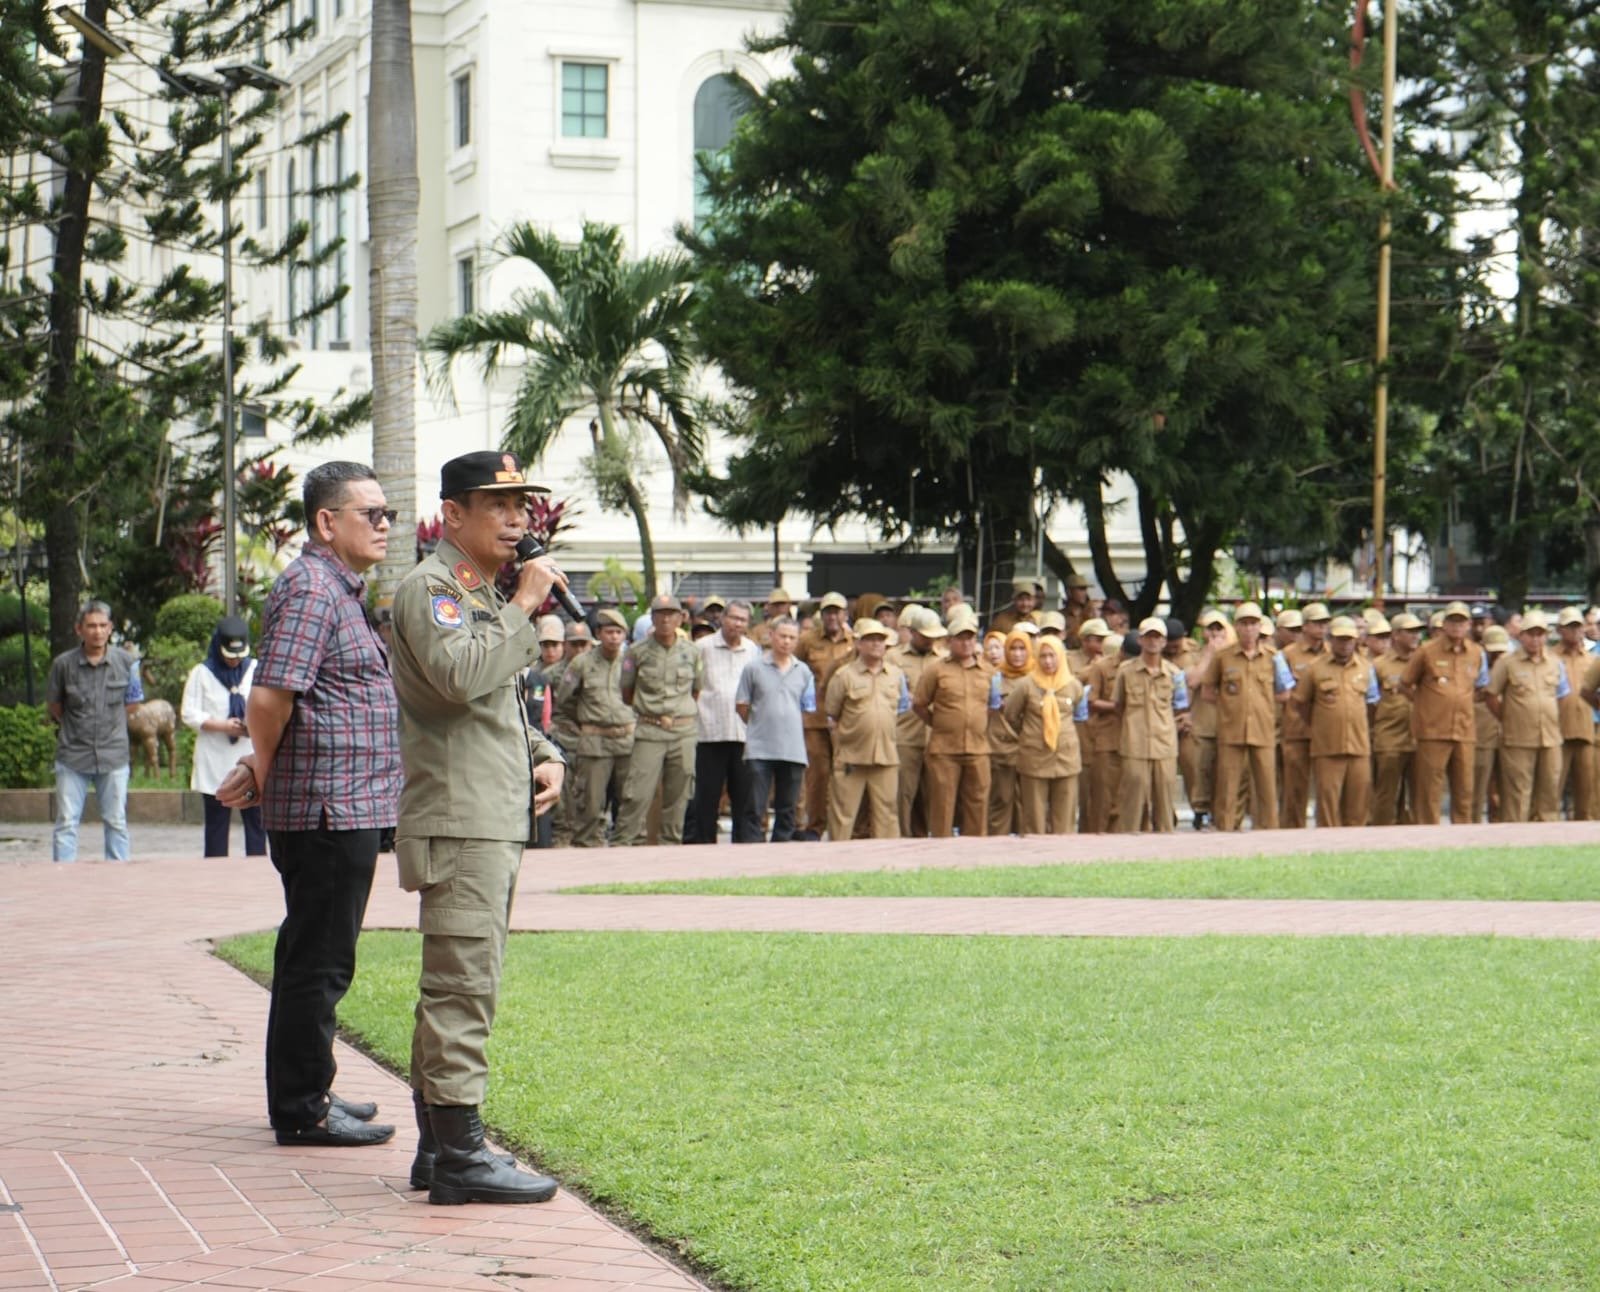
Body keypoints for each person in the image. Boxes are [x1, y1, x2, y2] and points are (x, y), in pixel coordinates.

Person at [389, 449, 569, 1205]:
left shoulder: (478, 593)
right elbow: (460, 679)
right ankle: (461, 1155)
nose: (517, 518)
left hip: (490, 815)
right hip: (460, 822)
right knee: (461, 987)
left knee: (464, 984)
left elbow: (498, 704)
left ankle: (440, 1149)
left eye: (521, 505)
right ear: (452, 514)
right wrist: (525, 606)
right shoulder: (432, 590)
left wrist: (545, 751)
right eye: (497, 504)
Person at [216, 461, 401, 1150]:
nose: (384, 524)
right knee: (319, 962)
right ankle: (302, 1106)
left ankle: (307, 1088)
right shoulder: (313, 588)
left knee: (313, 955)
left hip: (344, 808)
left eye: (388, 514)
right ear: (328, 522)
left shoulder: (335, 589)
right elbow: (271, 696)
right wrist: (262, 768)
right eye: (370, 514)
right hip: (328, 811)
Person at [46, 600, 144, 862]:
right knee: (66, 823)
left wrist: (109, 722)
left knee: (116, 821)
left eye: (102, 625)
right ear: (79, 629)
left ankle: (117, 878)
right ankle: (62, 880)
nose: (97, 631)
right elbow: (55, 706)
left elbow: (133, 703)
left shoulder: (127, 663)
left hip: (113, 754)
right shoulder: (63, 665)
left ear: (111, 628)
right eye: (91, 626)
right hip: (72, 755)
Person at [614, 595, 703, 846]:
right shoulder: (637, 652)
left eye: (671, 613)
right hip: (650, 729)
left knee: (680, 794)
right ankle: (622, 844)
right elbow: (627, 692)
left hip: (682, 730)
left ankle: (670, 848)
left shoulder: (692, 652)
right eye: (660, 613)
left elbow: (696, 690)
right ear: (652, 618)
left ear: (680, 618)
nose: (665, 619)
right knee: (636, 793)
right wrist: (651, 713)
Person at [181, 615, 265, 858]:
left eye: (239, 655)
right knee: (217, 825)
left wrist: (251, 724)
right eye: (229, 655)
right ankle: (216, 873)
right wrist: (222, 725)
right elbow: (189, 713)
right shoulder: (202, 673)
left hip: (250, 754)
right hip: (215, 757)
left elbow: (268, 707)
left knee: (257, 823)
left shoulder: (255, 669)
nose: (235, 660)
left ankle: (257, 870)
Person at [1202, 602, 1286, 832]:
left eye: (1253, 624)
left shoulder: (1274, 657)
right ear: (1236, 627)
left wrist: (1264, 705)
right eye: (1244, 624)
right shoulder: (1223, 657)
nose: (1249, 629)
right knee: (1227, 786)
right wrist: (1229, 706)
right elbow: (1207, 690)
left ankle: (1269, 832)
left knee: (1267, 787)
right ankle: (1225, 830)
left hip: (1263, 729)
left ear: (1260, 627)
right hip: (1231, 729)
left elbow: (1285, 691)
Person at [1401, 600, 1486, 824]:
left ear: (1468, 625)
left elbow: (1481, 686)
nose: (1457, 626)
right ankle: (1429, 835)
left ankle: (1462, 835)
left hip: (1464, 730)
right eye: (1452, 621)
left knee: (1465, 788)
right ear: (1444, 624)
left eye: (1462, 621)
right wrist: (1425, 706)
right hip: (1432, 731)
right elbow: (1405, 684)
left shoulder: (1476, 653)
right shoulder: (1426, 651)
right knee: (1429, 788)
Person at [555, 608, 635, 848]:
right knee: (590, 801)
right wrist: (586, 721)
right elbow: (565, 700)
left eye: (619, 632)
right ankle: (589, 847)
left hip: (628, 739)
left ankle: (628, 847)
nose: (614, 637)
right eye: (609, 632)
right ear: (599, 633)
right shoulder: (582, 663)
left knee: (631, 799)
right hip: (594, 741)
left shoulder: (632, 660)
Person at [913, 608, 995, 836]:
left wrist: (977, 722)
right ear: (949, 641)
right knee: (942, 805)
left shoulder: (987, 671)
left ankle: (975, 855)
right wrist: (939, 723)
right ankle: (941, 855)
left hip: (978, 748)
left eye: (970, 637)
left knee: (977, 804)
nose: (966, 642)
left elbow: (993, 705)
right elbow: (919, 704)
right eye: (960, 637)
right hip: (944, 749)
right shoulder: (936, 670)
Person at [1291, 616, 1380, 827]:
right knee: (1328, 805)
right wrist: (1322, 725)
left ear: (1357, 641)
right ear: (1330, 640)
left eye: (1349, 639)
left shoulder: (1366, 668)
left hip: (1359, 747)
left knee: (1358, 805)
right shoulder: (1314, 668)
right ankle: (1327, 848)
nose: (1345, 644)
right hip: (1327, 748)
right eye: (1340, 639)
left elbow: (1372, 704)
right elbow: (1301, 704)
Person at [823, 618, 905, 839]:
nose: (876, 644)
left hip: (886, 756)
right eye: (870, 639)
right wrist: (840, 749)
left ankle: (888, 866)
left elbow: (901, 709)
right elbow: (832, 715)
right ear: (858, 644)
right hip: (851, 756)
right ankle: (836, 863)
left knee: (887, 814)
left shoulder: (896, 675)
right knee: (843, 816)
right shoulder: (844, 675)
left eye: (880, 640)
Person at [736, 615, 815, 840]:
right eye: (782, 636)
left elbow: (807, 709)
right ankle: (751, 850)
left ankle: (781, 853)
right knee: (754, 806)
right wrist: (758, 723)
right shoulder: (753, 668)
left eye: (792, 637)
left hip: (792, 749)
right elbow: (742, 705)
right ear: (771, 636)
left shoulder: (804, 672)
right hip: (759, 747)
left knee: (787, 808)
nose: (786, 642)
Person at [1485, 610, 1567, 822]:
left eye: (1540, 634)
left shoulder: (1555, 662)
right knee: (1517, 794)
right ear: (1520, 636)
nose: (1535, 639)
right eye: (1530, 634)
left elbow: (1561, 696)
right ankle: (1516, 841)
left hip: (1550, 738)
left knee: (1550, 790)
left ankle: (1548, 840)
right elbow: (1491, 696)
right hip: (1517, 739)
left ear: (1546, 636)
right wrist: (1509, 718)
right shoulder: (1507, 662)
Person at [691, 598, 760, 843]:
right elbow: (692, 687)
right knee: (706, 798)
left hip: (742, 734)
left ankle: (743, 850)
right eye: (732, 618)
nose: (736, 624)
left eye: (742, 619)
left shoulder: (753, 650)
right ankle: (702, 848)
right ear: (722, 619)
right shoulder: (702, 647)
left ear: (748, 623)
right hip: (709, 732)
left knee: (743, 798)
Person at [1003, 632, 1086, 834]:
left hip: (1065, 757)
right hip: (1034, 757)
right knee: (1034, 818)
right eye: (1043, 656)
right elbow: (1011, 714)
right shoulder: (1026, 685)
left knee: (1064, 817)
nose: (1048, 661)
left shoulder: (1073, 686)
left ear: (1061, 656)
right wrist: (1027, 734)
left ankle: (1062, 857)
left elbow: (1079, 716)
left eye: (1052, 655)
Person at [1112, 618, 1190, 833]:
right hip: (1134, 745)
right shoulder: (1126, 672)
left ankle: (1165, 849)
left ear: (1164, 641)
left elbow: (1180, 707)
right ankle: (1128, 849)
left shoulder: (1175, 674)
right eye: (1149, 637)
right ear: (1140, 640)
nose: (1153, 642)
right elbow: (1118, 706)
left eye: (1157, 637)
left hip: (1165, 745)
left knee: (1165, 804)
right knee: (1132, 803)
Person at [794, 592, 855, 837]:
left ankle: (842, 827)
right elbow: (794, 668)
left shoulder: (853, 640)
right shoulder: (808, 640)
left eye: (837, 611)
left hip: (845, 719)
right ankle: (815, 826)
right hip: (815, 719)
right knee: (817, 775)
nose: (832, 616)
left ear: (845, 615)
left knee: (844, 773)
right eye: (828, 611)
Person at [889, 606, 944, 836]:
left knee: (930, 796)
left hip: (936, 739)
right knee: (903, 796)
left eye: (934, 637)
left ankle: (925, 842)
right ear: (912, 632)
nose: (930, 641)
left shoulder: (943, 660)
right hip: (905, 737)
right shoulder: (893, 658)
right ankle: (901, 841)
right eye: (925, 636)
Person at [1278, 601, 1330, 828]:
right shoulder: (1287, 655)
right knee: (1295, 789)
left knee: (1328, 788)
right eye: (1317, 623)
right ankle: (1292, 835)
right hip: (1296, 730)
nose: (1322, 628)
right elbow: (1280, 692)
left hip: (1327, 732)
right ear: (1305, 626)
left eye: (1325, 623)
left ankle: (1327, 836)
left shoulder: (1333, 653)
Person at [1368, 612, 1418, 825]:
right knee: (1386, 795)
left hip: (1419, 737)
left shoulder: (1423, 660)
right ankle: (1381, 838)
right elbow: (1370, 703)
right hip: (1389, 738)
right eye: (1410, 631)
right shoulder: (1378, 665)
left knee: (1418, 796)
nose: (1415, 636)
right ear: (1396, 635)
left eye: (1417, 631)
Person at [988, 628, 1033, 835]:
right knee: (1001, 801)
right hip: (1001, 749)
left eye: (1022, 649)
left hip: (1030, 750)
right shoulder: (996, 679)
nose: (1017, 654)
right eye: (1012, 649)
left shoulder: (1037, 678)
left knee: (1027, 804)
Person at [1553, 607, 1598, 820]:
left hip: (1586, 732)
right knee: (1552, 790)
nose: (1575, 632)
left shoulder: (1591, 659)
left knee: (1587, 793)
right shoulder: (1550, 657)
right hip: (1557, 733)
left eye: (1578, 627)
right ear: (1559, 630)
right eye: (1569, 627)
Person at [1471, 624, 1511, 822]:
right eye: (1493, 652)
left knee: (1508, 792)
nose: (1497, 656)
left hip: (1509, 737)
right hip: (1481, 736)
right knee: (1476, 791)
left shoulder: (1512, 666)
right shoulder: (1475, 668)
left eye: (1501, 652)